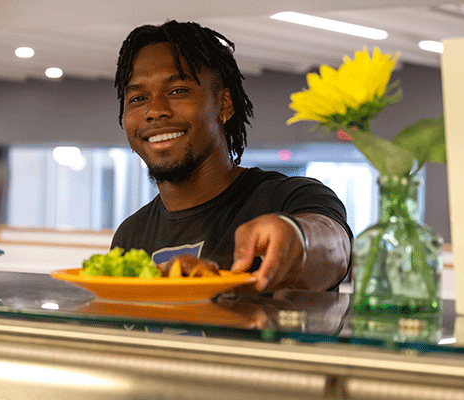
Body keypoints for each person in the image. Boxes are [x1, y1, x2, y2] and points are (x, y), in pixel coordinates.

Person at [111, 20, 352, 292]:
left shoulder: (288, 198)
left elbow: (335, 247)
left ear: (224, 104)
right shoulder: (131, 234)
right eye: (138, 98)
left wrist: (299, 239)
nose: (155, 110)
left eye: (177, 91)